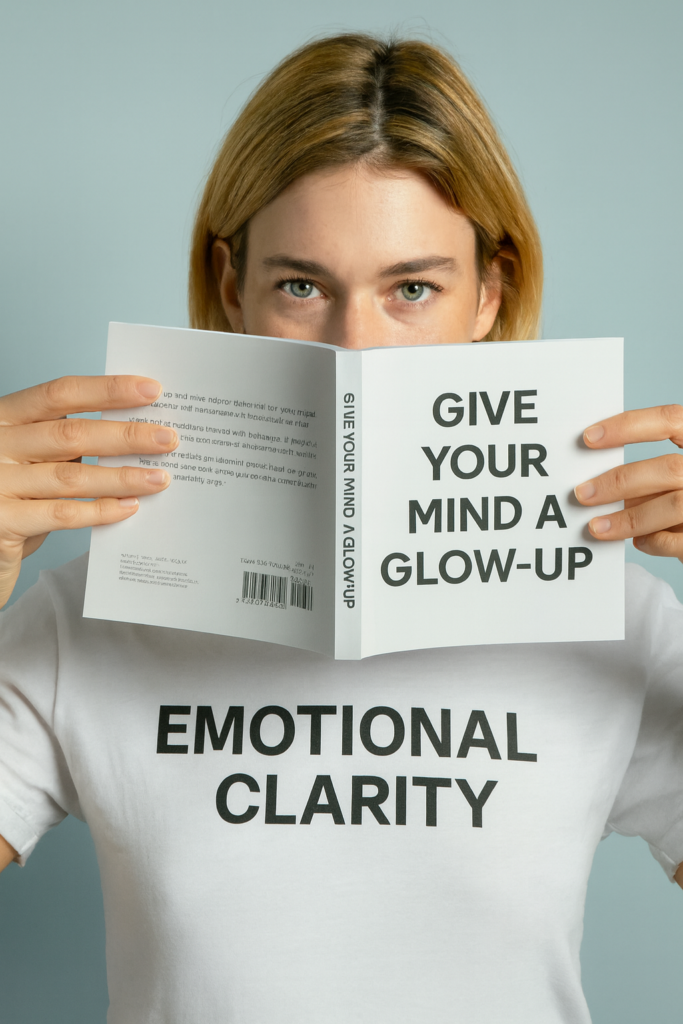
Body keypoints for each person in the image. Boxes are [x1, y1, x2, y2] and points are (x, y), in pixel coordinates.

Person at [1, 33, 682, 1023]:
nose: (353, 349)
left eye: (412, 288)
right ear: (231, 287)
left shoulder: (611, 616)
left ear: (488, 295)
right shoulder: (90, 613)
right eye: (301, 286)